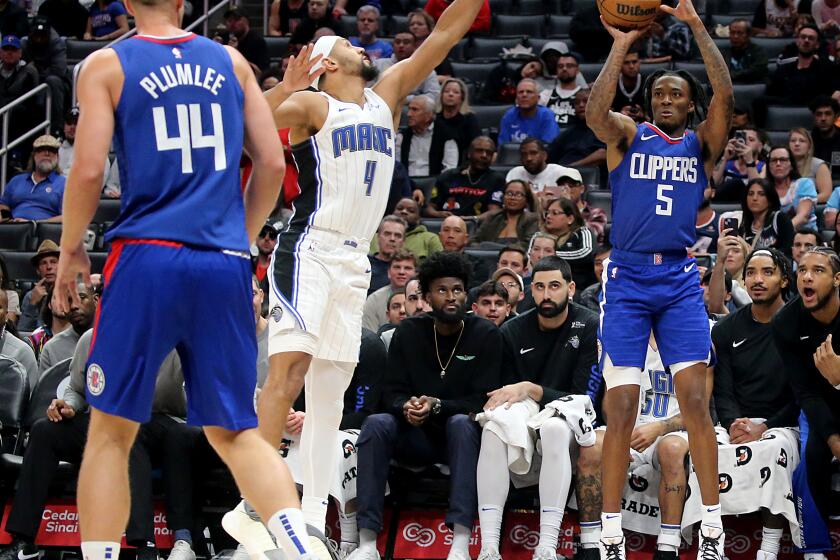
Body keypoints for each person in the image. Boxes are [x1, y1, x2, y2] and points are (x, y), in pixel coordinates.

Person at [51, 0, 322, 556]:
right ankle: (299, 545)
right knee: (236, 432)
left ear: (127, 2)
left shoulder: (106, 64)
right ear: (182, 2)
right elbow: (272, 163)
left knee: (110, 431)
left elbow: (88, 168)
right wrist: (238, 239)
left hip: (147, 257)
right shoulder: (231, 62)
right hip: (223, 261)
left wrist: (71, 247)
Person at [258, 0, 486, 542]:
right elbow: (250, 120)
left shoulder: (385, 96)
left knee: (329, 395)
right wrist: (286, 87)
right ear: (325, 63)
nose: (360, 46)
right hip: (310, 248)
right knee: (288, 372)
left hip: (354, 260)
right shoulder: (312, 107)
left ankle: (312, 513)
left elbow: (447, 32)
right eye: (345, 43)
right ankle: (256, 498)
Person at [585, 0, 734, 556]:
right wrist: (620, 46)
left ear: (690, 105)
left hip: (677, 279)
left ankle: (713, 525)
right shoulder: (627, 136)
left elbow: (726, 95)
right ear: (649, 103)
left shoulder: (701, 145)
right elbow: (596, 116)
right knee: (619, 408)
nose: (666, 100)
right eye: (659, 94)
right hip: (626, 278)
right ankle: (610, 534)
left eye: (677, 94)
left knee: (695, 401)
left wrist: (695, 26)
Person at [352, 251, 501, 560]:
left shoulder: (485, 334)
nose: (451, 297)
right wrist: (405, 405)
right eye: (442, 290)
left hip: (460, 439)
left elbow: (483, 400)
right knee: (377, 423)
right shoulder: (409, 332)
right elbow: (390, 392)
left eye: (457, 290)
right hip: (413, 434)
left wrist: (438, 406)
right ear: (427, 296)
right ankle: (366, 542)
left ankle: (460, 541)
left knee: (462, 423)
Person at [476, 255, 603, 560]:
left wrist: (533, 389)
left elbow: (587, 395)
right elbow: (503, 393)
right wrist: (524, 395)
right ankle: (489, 547)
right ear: (530, 291)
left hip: (573, 411)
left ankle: (546, 546)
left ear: (571, 288)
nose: (547, 295)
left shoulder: (589, 325)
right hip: (527, 407)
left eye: (555, 286)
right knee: (494, 426)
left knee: (555, 427)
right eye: (540, 287)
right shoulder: (512, 330)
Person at [772, 247, 840, 525]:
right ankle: (820, 537)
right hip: (822, 404)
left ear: (837, 279)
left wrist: (838, 379)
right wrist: (835, 441)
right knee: (814, 455)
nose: (807, 278)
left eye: (818, 271)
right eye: (802, 270)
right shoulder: (785, 323)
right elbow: (805, 392)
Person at [426, 136, 505, 219]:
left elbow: (495, 211)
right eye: (479, 151)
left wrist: (473, 219)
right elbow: (429, 208)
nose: (484, 155)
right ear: (469, 153)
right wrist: (439, 214)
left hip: (477, 226)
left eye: (488, 152)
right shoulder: (448, 176)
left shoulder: (496, 179)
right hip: (446, 224)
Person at [0, 135, 65, 222]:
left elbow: (68, 218)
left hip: (45, 232)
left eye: (52, 150)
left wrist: (34, 224)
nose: (47, 153)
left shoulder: (64, 184)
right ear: (34, 155)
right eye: (42, 149)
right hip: (13, 230)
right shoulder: (16, 181)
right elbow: (3, 207)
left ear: (57, 156)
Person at [540, 197, 597, 291]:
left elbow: (587, 253)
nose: (548, 216)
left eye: (555, 213)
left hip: (580, 288)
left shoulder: (582, 232)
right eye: (547, 213)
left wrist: (555, 256)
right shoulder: (541, 237)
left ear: (570, 218)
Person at [23, 17, 68, 134]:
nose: (38, 39)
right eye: (36, 36)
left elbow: (59, 71)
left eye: (42, 36)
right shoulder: (25, 43)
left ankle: (56, 128)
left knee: (52, 80)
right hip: (33, 81)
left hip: (58, 85)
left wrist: (35, 70)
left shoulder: (57, 42)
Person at [397, 94, 460, 177]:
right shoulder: (401, 137)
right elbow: (396, 166)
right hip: (406, 184)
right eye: (409, 109)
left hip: (435, 185)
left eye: (414, 110)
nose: (409, 114)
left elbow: (450, 169)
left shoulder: (447, 136)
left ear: (428, 115)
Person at [548, 89, 608, 173]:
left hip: (589, 178)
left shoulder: (605, 128)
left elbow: (602, 155)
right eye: (576, 102)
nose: (581, 105)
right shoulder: (568, 133)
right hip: (561, 176)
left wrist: (570, 168)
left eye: (585, 101)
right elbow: (549, 156)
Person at [374, 32, 439, 101]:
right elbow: (367, 90)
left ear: (415, 46)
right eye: (397, 42)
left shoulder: (426, 69)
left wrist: (408, 99)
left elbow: (434, 95)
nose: (401, 45)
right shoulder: (378, 64)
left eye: (406, 42)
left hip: (413, 108)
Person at [471, 179, 539, 246]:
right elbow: (474, 241)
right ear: (503, 197)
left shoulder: (532, 220)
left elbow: (529, 244)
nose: (512, 198)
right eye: (509, 193)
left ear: (526, 200)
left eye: (518, 195)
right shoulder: (493, 217)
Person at [362, 250, 417, 332]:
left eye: (407, 268)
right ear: (388, 272)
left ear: (416, 273)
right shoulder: (374, 300)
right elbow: (369, 338)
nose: (401, 272)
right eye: (397, 267)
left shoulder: (424, 299)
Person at [739, 178, 795, 256]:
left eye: (761, 194)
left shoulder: (780, 219)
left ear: (770, 199)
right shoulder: (744, 223)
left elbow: (787, 251)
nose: (754, 198)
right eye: (751, 194)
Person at [767, 145, 818, 231]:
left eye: (783, 160)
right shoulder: (764, 188)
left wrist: (782, 232)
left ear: (791, 165)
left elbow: (803, 216)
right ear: (769, 166)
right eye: (774, 160)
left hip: (804, 236)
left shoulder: (804, 184)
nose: (778, 163)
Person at [710, 127, 766, 202]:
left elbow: (758, 189)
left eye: (751, 139)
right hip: (723, 204)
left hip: (748, 203)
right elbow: (712, 184)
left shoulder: (764, 166)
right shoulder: (726, 163)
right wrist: (725, 158)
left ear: (760, 147)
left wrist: (749, 161)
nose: (746, 142)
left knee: (737, 184)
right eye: (743, 138)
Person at [506, 138, 576, 197]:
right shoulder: (514, 173)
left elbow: (568, 200)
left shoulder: (560, 173)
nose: (528, 158)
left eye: (534, 153)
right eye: (524, 154)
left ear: (544, 155)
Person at [498, 79, 561, 145]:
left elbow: (548, 146)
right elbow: (503, 147)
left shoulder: (546, 116)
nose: (524, 95)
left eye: (529, 92)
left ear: (538, 98)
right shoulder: (509, 116)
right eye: (521, 92)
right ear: (516, 99)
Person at [18, 240, 61, 332]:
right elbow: (22, 331)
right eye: (43, 263)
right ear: (38, 270)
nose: (49, 267)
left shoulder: (70, 295)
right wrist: (32, 304)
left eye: (53, 262)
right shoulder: (30, 296)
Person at [439, 215, 491, 287]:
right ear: (440, 237)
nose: (450, 235)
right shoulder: (430, 265)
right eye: (446, 230)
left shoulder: (478, 265)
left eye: (457, 231)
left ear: (466, 238)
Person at [559, 168, 608, 243]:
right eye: (562, 187)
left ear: (582, 189)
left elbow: (590, 237)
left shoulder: (596, 213)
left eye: (571, 186)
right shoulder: (553, 212)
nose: (567, 190)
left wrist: (569, 205)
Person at [435, 78, 480, 158]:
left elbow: (476, 145)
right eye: (446, 91)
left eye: (456, 92)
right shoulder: (435, 118)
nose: (450, 94)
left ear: (462, 97)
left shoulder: (469, 119)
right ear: (441, 95)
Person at [789, 127, 833, 203]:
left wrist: (803, 202)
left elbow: (826, 195)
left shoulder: (819, 165)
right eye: (793, 141)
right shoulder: (782, 164)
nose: (797, 144)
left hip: (811, 209)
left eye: (802, 141)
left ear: (809, 147)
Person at [539, 53, 582, 129]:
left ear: (578, 70)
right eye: (560, 66)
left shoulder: (586, 96)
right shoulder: (545, 94)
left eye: (569, 66)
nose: (564, 69)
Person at [367, 215, 407, 294]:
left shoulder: (408, 270)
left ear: (403, 241)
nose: (392, 239)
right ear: (378, 237)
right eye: (387, 234)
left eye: (397, 235)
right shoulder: (365, 264)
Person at [721, 19, 769, 83]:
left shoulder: (758, 51)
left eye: (739, 33)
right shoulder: (724, 53)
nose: (735, 36)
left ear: (748, 35)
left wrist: (731, 75)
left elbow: (757, 71)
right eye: (732, 32)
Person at [224, 7, 270, 73]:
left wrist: (235, 53)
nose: (232, 24)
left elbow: (261, 72)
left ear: (246, 21)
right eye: (229, 20)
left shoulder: (257, 41)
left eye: (237, 19)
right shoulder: (224, 38)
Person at [809, 96, 840, 182]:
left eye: (828, 114)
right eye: (819, 114)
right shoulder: (807, 142)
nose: (823, 118)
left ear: (836, 116)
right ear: (814, 117)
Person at [253, 221, 279, 308]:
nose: (267, 238)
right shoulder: (246, 265)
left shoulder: (279, 269)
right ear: (256, 238)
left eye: (272, 236)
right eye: (262, 233)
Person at [578, 243, 610, 313]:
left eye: (606, 262)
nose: (602, 268)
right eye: (598, 263)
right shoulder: (588, 295)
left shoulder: (633, 292)